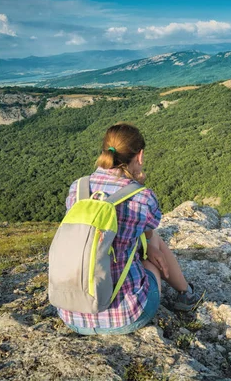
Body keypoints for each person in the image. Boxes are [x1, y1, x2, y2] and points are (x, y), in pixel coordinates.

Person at [58, 122, 202, 335]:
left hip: (72, 313)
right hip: (126, 316)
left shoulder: (78, 189)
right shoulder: (142, 197)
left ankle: (184, 291)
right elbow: (149, 230)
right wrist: (138, 185)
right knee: (154, 247)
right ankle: (187, 295)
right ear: (140, 156)